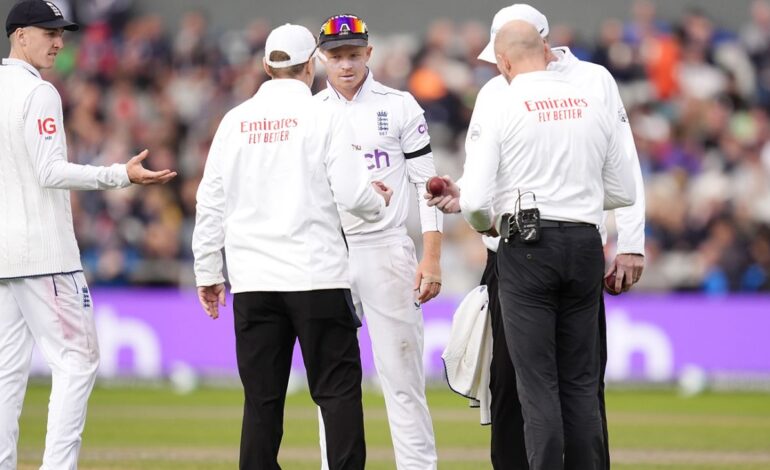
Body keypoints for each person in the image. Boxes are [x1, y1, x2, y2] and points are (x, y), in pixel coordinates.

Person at [428, 4, 646, 468]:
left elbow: (479, 200)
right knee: (582, 383)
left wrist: (488, 221)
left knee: (533, 383)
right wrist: (580, 202)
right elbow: (625, 186)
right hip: (584, 243)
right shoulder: (588, 96)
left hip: (524, 246)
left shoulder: (504, 97)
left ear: (506, 58)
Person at [192, 23, 392, 470]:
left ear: (266, 66)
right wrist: (377, 201)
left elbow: (210, 202)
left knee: (261, 402)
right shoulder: (325, 116)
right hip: (316, 275)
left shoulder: (234, 121)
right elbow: (355, 195)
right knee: (337, 393)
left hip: (253, 282)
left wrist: (208, 271)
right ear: (311, 67)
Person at [0, 1, 177, 468]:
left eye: (61, 33)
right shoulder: (39, 94)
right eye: (48, 33)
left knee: (6, 374)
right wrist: (120, 175)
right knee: (77, 362)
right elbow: (50, 170)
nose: (59, 42)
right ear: (20, 35)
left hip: (4, 256)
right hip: (45, 254)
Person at [313, 14, 443, 470]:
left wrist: (430, 256)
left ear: (369, 53)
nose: (345, 65)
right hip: (328, 251)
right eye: (335, 55)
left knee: (403, 377)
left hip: (385, 246)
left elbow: (429, 188)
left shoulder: (401, 104)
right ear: (320, 58)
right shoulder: (311, 112)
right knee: (331, 384)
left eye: (353, 54)